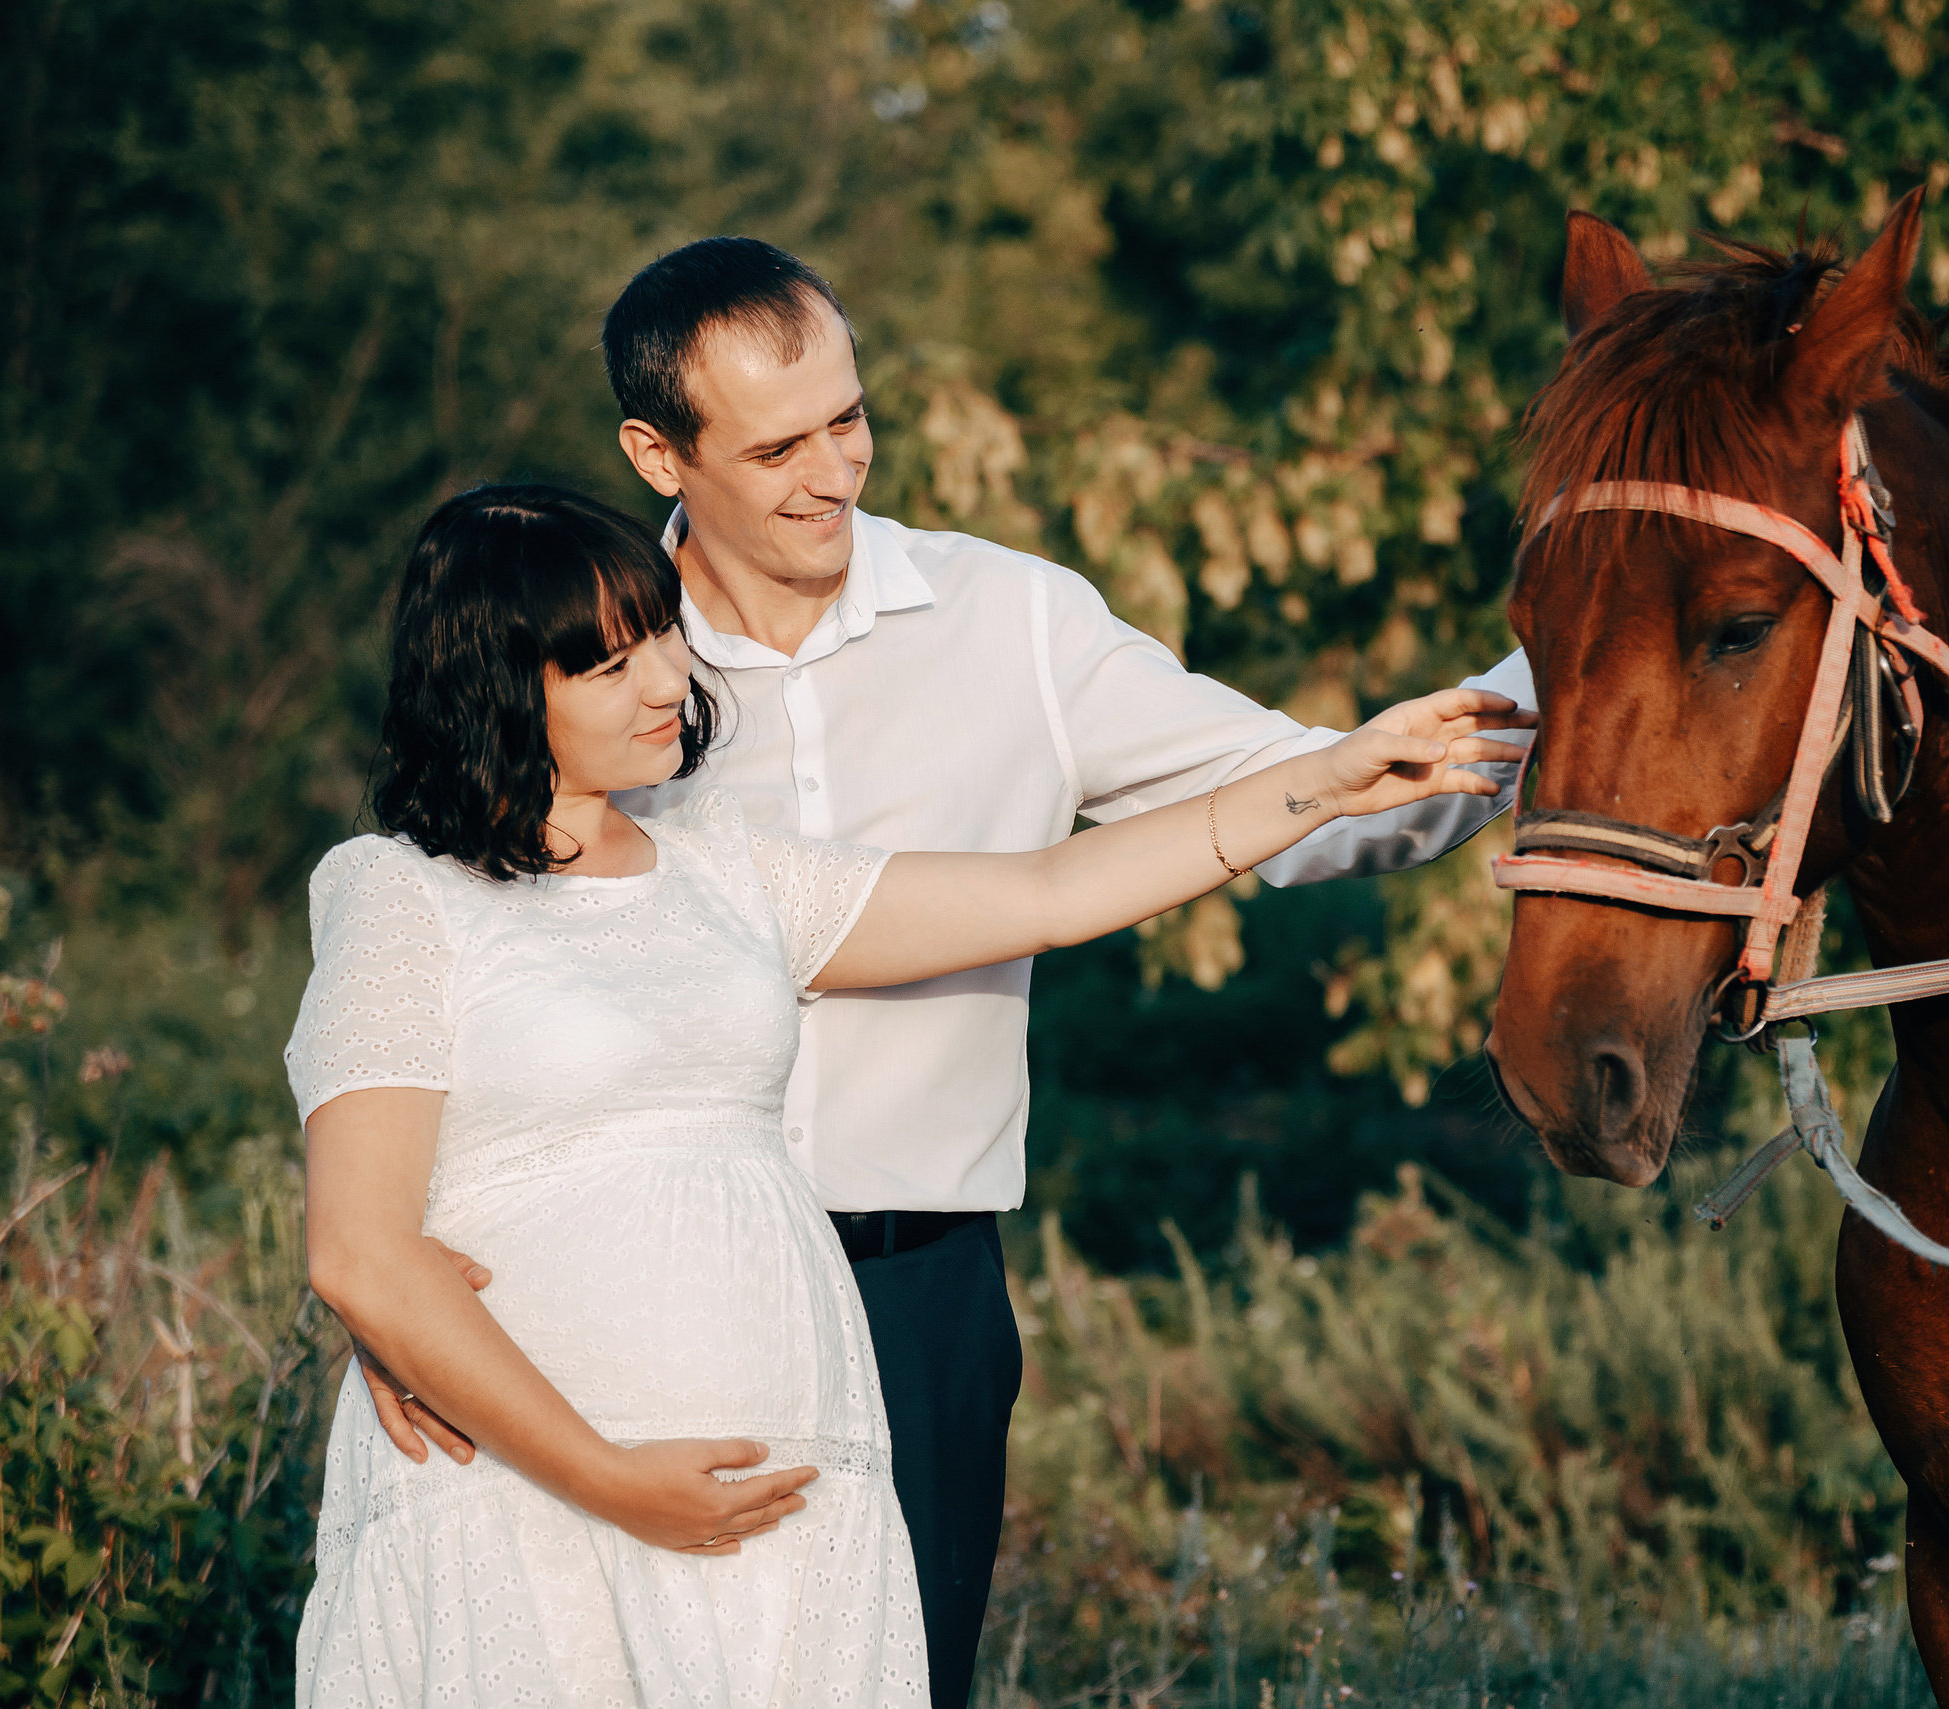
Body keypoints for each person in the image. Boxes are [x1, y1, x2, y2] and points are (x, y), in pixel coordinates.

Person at [358, 238, 1538, 1706]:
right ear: (657, 451)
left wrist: (1588, 665)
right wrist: (393, 1295)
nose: (833, 473)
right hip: (586, 1304)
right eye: (778, 445)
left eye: (849, 421)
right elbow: (436, 975)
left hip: (910, 1283)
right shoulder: (576, 658)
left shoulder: (1019, 623)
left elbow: (1293, 801)